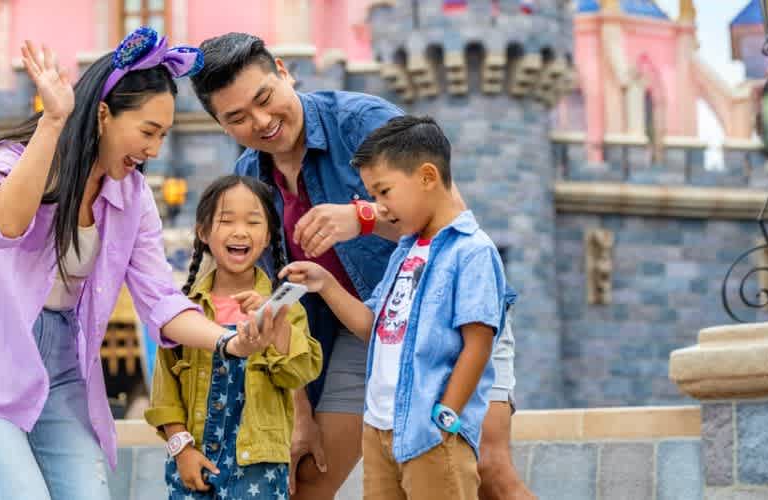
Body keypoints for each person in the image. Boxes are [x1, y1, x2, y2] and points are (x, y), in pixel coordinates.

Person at [0, 28, 283, 500]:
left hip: (64, 363)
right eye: (148, 131)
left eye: (164, 135)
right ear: (104, 115)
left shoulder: (132, 198)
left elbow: (161, 299)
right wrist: (53, 122)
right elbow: (4, 227)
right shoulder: (9, 160)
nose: (154, 149)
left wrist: (230, 342)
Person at [190, 32, 531, 499]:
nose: (263, 121)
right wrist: (301, 412)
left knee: (488, 471)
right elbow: (273, 303)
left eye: (265, 98)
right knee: (307, 479)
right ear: (222, 127)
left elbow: (451, 217)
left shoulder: (362, 122)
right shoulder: (251, 180)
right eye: (238, 118)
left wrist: (363, 216)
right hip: (358, 332)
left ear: (284, 72)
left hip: (449, 316)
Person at [282, 116, 509, 500]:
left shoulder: (472, 251)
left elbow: (478, 344)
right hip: (380, 430)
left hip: (431, 435)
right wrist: (326, 283)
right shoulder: (404, 252)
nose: (379, 208)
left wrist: (444, 419)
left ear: (426, 176)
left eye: (383, 191)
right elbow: (373, 326)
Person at [145, 175, 323, 499]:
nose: (240, 231)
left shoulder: (285, 307)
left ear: (268, 236)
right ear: (203, 232)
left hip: (259, 469)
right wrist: (180, 448)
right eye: (226, 221)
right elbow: (165, 395)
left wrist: (275, 322)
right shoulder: (184, 311)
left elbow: (300, 371)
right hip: (193, 461)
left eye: (253, 222)